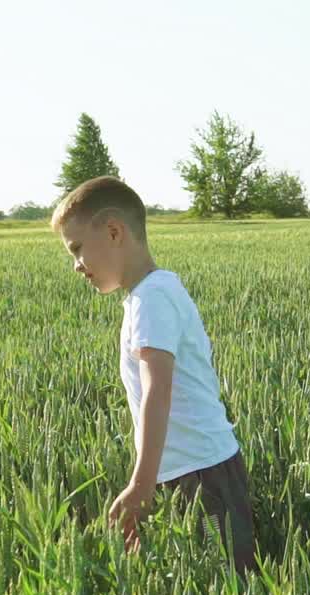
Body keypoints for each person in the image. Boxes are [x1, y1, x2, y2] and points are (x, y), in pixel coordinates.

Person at [51, 176, 256, 572]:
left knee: (229, 587)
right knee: (197, 586)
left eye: (77, 250)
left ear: (113, 232)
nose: (77, 266)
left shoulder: (152, 297)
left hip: (203, 474)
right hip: (186, 469)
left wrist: (141, 486)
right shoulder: (148, 295)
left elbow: (157, 390)